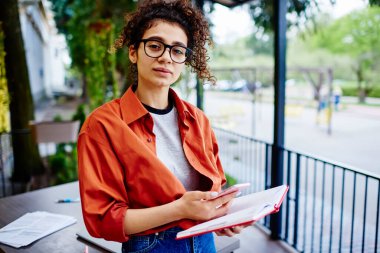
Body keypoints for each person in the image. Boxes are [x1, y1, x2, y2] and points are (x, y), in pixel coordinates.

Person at [78, 1, 248, 252]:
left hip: (205, 241)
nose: (166, 57)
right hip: (151, 245)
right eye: (155, 46)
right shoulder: (102, 125)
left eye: (178, 50)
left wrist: (221, 216)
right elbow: (103, 218)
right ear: (133, 52)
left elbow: (214, 189)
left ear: (184, 60)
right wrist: (179, 209)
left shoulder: (198, 120)